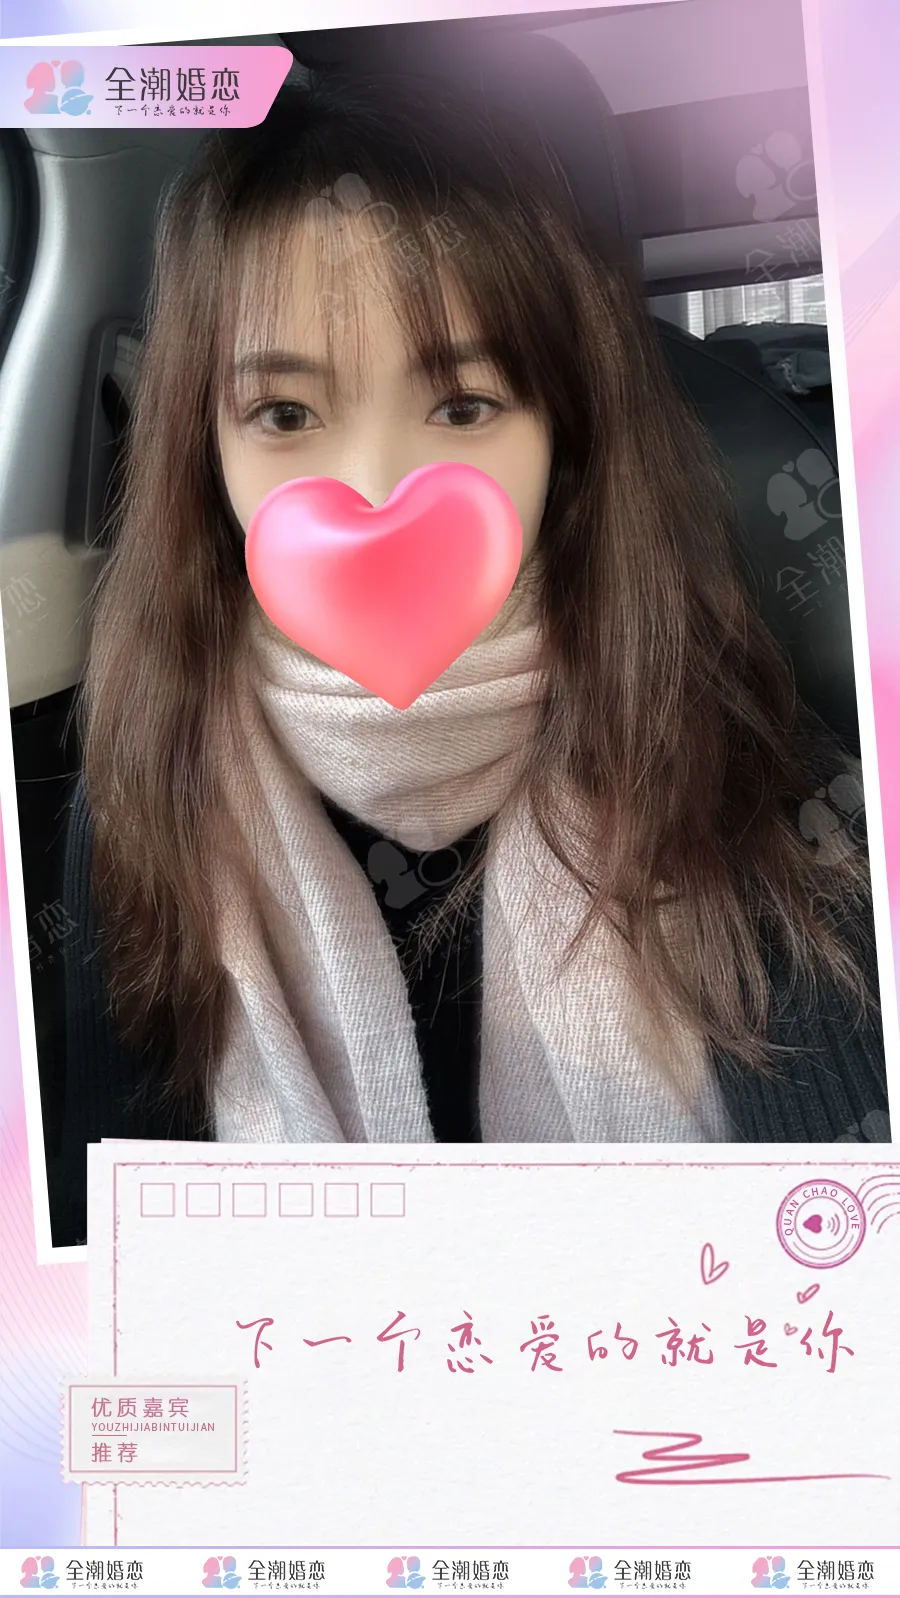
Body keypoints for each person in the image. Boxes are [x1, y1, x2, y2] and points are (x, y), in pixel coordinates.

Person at [50, 44, 889, 1247]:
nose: (373, 488)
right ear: (205, 450)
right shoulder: (139, 796)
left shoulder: (757, 781)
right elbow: (100, 1243)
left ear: (564, 440)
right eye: (285, 413)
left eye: (463, 406)